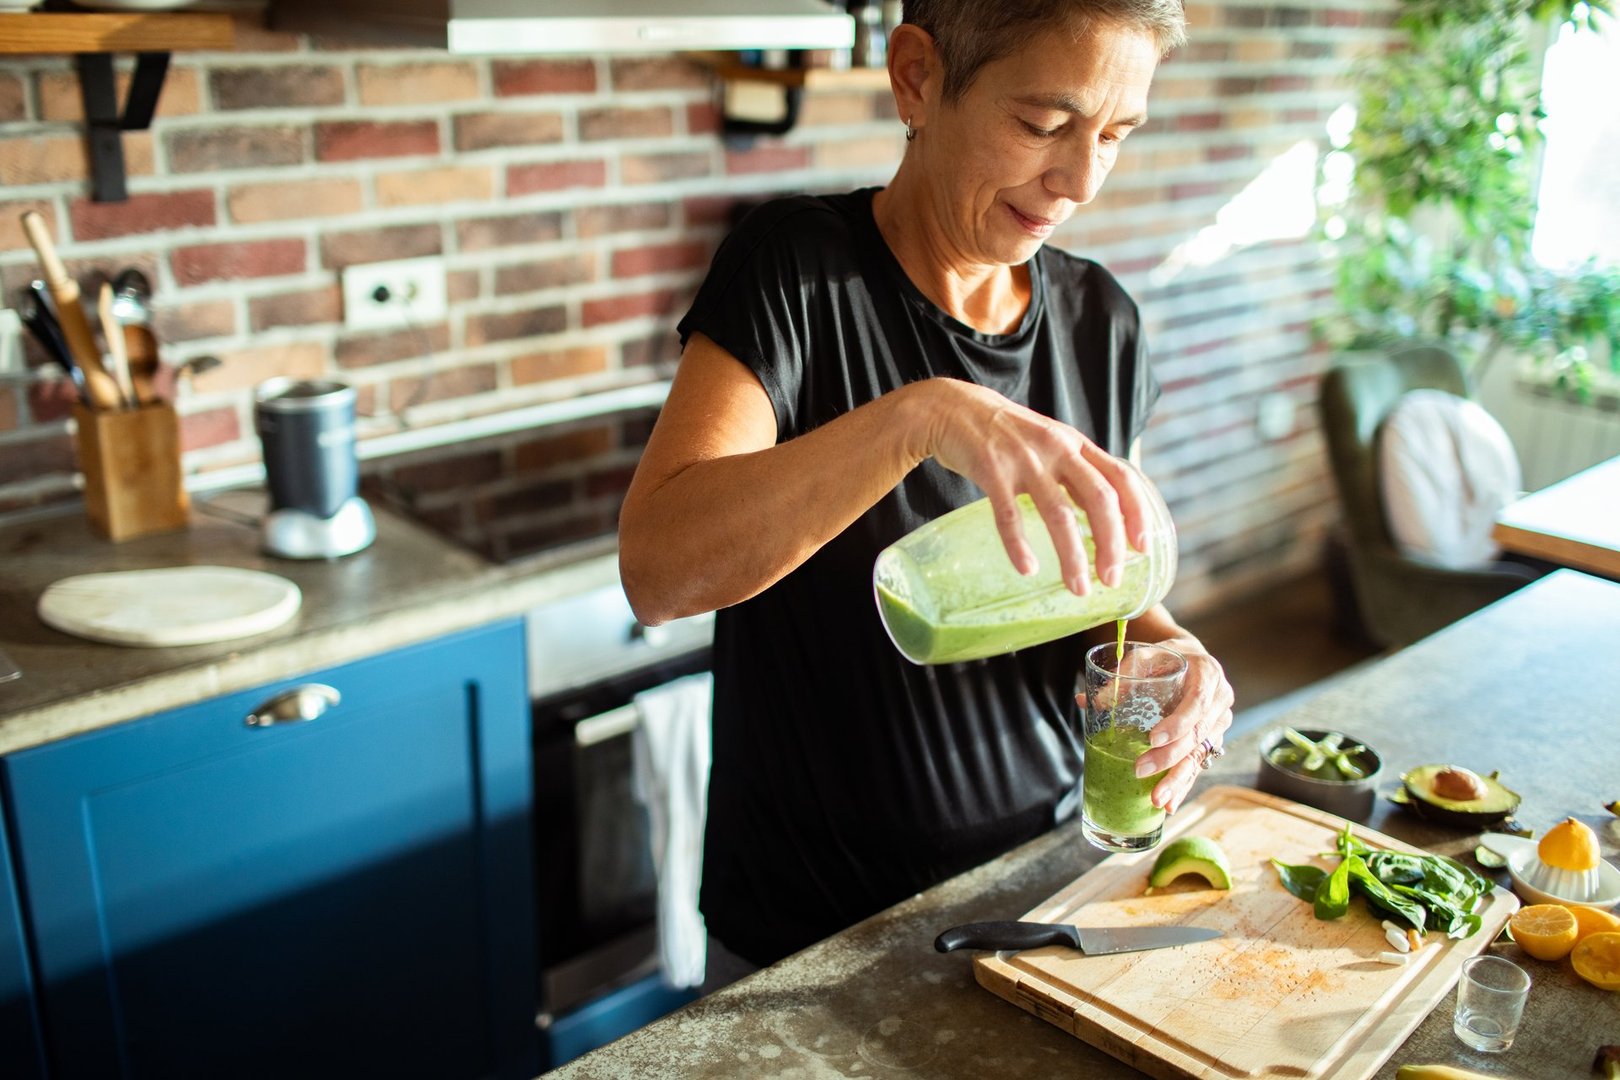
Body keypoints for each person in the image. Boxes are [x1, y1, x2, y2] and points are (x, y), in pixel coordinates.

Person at [618, 0, 1235, 972]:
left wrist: (1175, 653)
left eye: (1114, 135)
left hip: (1037, 894)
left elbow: (1103, 593)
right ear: (916, 77)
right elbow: (660, 571)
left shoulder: (1100, 322)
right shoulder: (794, 273)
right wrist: (920, 416)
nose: (1078, 180)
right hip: (810, 937)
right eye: (1043, 125)